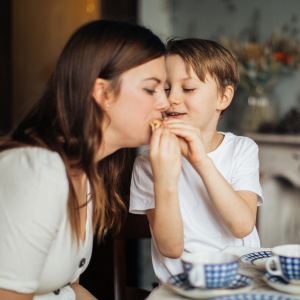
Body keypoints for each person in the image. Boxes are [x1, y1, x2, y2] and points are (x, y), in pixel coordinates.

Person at [0, 20, 173, 300]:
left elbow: (69, 288)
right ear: (103, 92)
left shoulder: (87, 172)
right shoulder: (40, 172)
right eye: (150, 89)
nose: (165, 103)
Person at [130, 38, 264, 284]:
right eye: (166, 88)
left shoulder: (242, 149)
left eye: (188, 89)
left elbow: (242, 226)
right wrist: (165, 176)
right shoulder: (149, 161)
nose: (172, 99)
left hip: (242, 282)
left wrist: (200, 160)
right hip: (181, 287)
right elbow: (170, 249)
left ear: (223, 97)